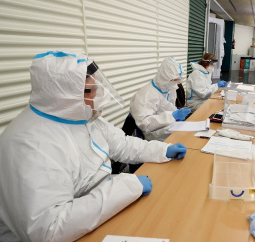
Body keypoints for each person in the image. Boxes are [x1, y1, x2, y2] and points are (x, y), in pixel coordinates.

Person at [0, 50, 188, 242]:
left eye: (96, 87)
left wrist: (162, 150)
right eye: (89, 91)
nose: (99, 96)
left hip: (95, 213)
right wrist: (126, 187)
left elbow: (122, 144)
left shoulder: (80, 116)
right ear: (62, 96)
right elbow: (49, 229)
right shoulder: (30, 145)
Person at [130, 56, 191, 141]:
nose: (176, 83)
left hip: (166, 126)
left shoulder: (169, 89)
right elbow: (145, 124)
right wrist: (172, 116)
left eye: (178, 80)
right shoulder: (146, 94)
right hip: (150, 135)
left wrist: (176, 111)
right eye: (174, 80)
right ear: (165, 77)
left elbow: (168, 106)